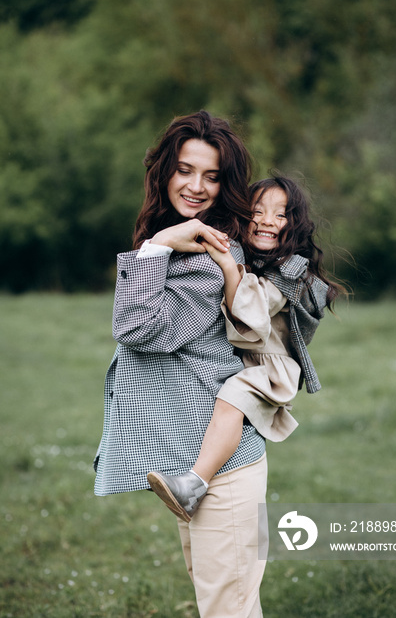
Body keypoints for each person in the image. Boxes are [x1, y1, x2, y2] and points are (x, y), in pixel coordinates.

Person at [93, 110, 268, 618]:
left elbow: (139, 330)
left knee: (228, 609)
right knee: (223, 603)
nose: (196, 186)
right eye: (185, 170)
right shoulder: (184, 238)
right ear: (164, 171)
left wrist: (154, 249)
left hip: (225, 472)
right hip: (198, 465)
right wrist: (161, 242)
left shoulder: (210, 254)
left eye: (212, 176)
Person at [147, 175, 343, 523]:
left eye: (281, 215)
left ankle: (194, 484)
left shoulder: (289, 273)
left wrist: (225, 263)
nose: (268, 221)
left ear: (294, 226)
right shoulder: (252, 260)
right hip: (246, 360)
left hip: (270, 369)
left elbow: (249, 309)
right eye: (258, 211)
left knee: (231, 398)